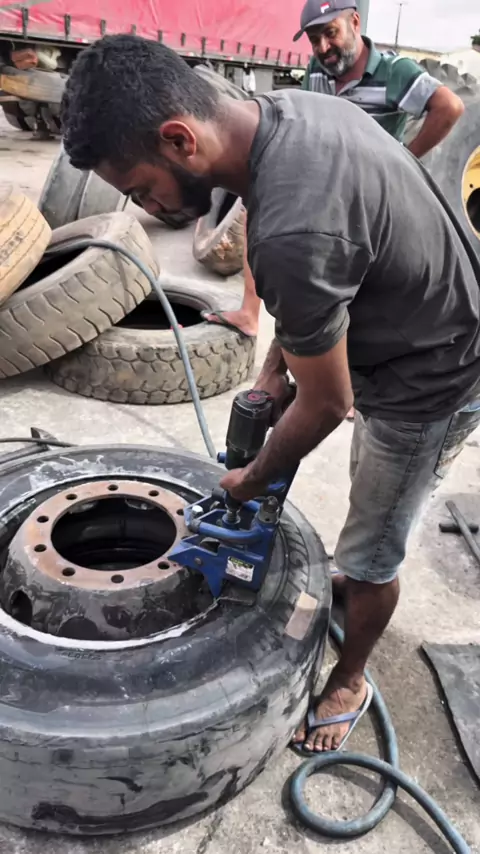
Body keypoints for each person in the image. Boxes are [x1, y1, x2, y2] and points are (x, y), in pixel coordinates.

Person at [61, 35, 480, 754]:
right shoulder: (294, 115)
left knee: (375, 549)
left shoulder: (292, 226)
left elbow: (328, 403)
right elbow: (324, 281)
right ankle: (353, 565)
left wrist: (253, 477)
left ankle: (349, 678)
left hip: (432, 380)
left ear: (179, 139)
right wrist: (272, 372)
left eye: (139, 188)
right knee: (365, 499)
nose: (146, 206)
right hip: (410, 328)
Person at [202, 0, 465, 342]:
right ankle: (251, 313)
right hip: (323, 177)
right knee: (258, 202)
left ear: (354, 22)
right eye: (314, 39)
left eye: (330, 33)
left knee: (320, 276)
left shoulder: (394, 71)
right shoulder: (317, 69)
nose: (323, 47)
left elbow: (449, 107)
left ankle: (312, 344)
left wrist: (403, 160)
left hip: (367, 192)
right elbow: (304, 117)